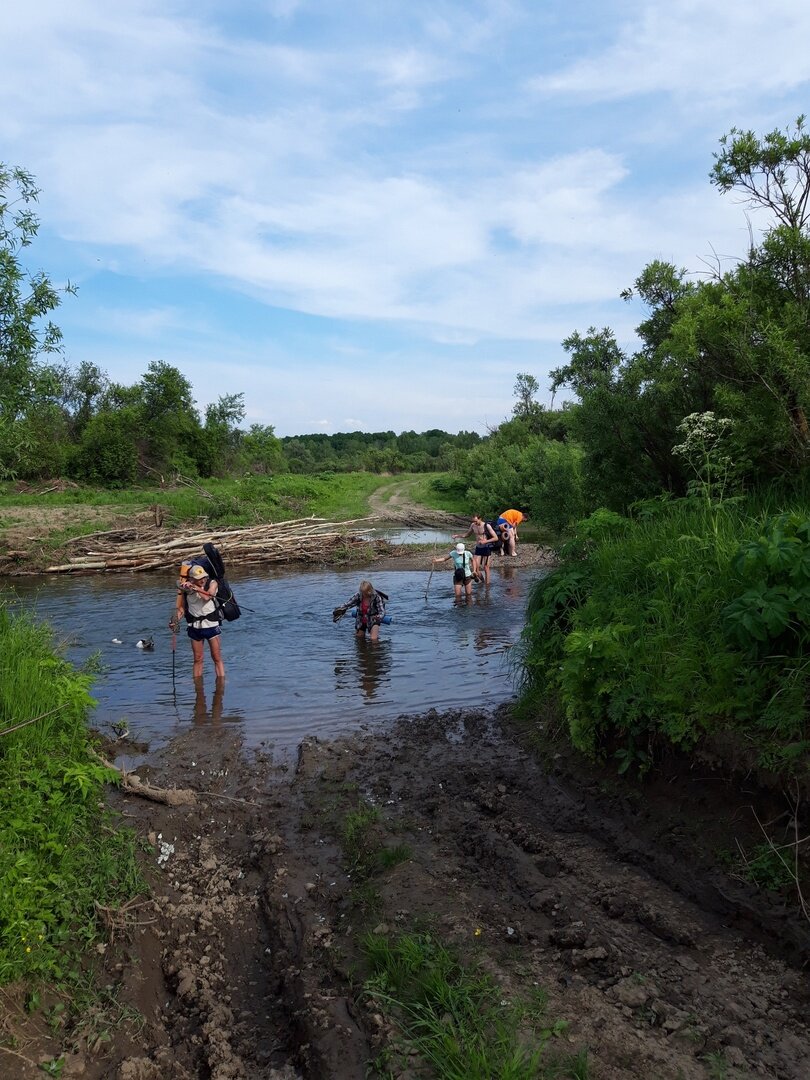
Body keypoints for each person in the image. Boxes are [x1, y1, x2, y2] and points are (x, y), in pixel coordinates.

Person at [170, 563, 225, 680]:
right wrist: (175, 620)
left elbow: (208, 596)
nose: (203, 580)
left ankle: (221, 684)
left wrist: (196, 588)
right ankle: (198, 688)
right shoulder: (186, 590)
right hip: (195, 628)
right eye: (199, 579)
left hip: (211, 626)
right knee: (197, 659)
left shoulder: (212, 583)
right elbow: (181, 609)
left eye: (204, 577)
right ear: (191, 579)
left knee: (217, 658)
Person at [453, 514, 499, 583]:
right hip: (478, 547)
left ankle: (487, 586)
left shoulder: (486, 526)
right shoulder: (473, 525)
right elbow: (467, 534)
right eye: (473, 521)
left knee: (486, 568)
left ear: (480, 519)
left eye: (476, 521)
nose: (475, 523)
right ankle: (483, 582)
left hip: (486, 547)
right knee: (476, 568)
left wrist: (485, 541)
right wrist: (457, 536)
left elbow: (496, 538)